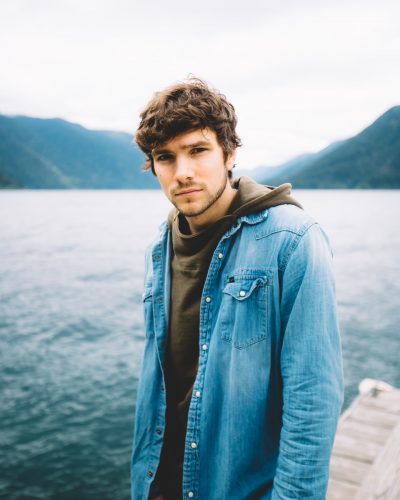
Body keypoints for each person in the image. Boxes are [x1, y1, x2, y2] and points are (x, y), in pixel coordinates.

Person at [130, 77, 344, 500]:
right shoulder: (161, 244)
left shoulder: (292, 240)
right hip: (159, 481)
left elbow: (312, 399)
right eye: (165, 158)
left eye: (197, 150)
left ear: (229, 153)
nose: (183, 172)